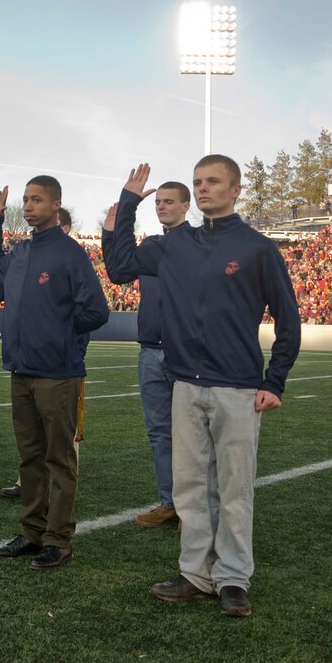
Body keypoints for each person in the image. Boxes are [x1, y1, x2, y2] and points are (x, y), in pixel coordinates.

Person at [105, 159, 300, 617]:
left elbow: (288, 320)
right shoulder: (174, 245)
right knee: (190, 487)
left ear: (235, 190)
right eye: (198, 182)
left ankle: (233, 577)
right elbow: (118, 270)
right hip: (184, 384)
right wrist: (129, 203)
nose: (204, 188)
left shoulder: (257, 248)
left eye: (213, 182)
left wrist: (275, 381)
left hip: (237, 386)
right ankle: (195, 572)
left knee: (234, 488)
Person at [0, 177, 109, 570]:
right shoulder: (21, 251)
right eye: (25, 199)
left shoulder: (71, 254)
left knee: (59, 460)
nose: (28, 205)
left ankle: (59, 540)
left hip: (57, 372)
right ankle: (32, 532)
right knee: (29, 458)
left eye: (36, 199)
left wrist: (58, 333)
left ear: (56, 204)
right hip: (21, 370)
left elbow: (97, 311)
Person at [101, 181, 191, 528]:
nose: (162, 206)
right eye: (159, 202)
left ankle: (194, 506)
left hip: (186, 353)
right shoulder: (153, 245)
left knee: (195, 434)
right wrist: (116, 224)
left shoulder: (197, 244)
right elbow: (118, 271)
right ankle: (170, 503)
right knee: (159, 432)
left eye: (170, 201)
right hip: (151, 352)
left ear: (186, 206)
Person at [0, 207, 87, 499]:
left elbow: (87, 312)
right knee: (32, 438)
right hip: (30, 362)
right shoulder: (28, 257)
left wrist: (68, 345)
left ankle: (59, 492)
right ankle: (28, 483)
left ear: (67, 229)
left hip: (61, 362)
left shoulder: (72, 258)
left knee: (61, 437)